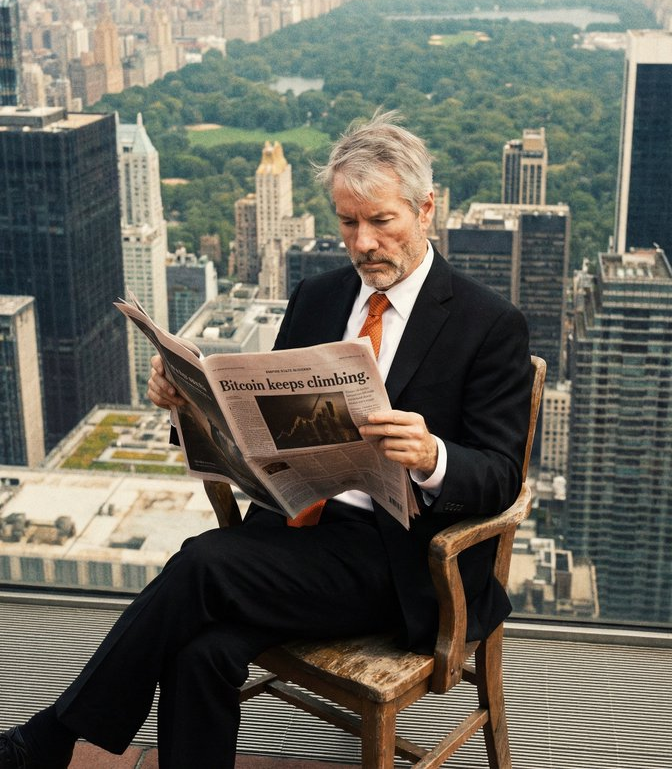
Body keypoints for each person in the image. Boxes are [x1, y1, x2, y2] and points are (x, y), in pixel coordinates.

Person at [0, 112, 532, 768]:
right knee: (201, 653)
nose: (363, 243)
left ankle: (51, 740)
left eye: (382, 220)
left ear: (426, 209)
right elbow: (261, 427)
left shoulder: (489, 324)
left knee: (201, 563)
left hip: (398, 561)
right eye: (347, 222)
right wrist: (187, 408)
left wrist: (432, 457)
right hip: (296, 531)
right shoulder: (317, 296)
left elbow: (503, 475)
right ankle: (56, 741)